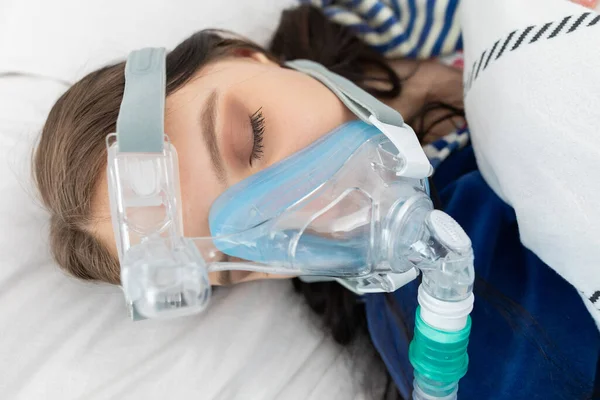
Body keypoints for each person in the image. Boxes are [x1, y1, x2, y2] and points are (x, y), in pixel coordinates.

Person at [32, 5, 598, 399]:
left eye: (252, 137)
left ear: (245, 56)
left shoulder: (384, 13)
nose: (306, 203)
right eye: (246, 248)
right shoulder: (462, 331)